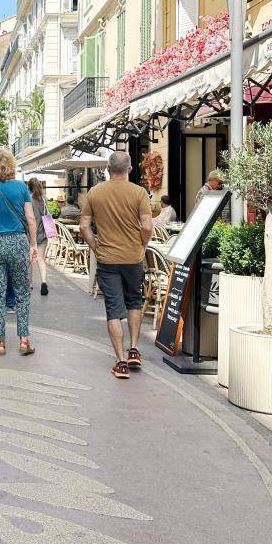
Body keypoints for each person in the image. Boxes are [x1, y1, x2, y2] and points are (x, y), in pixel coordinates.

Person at [80, 152, 154, 379]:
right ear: (130, 168)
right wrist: (141, 247)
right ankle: (134, 349)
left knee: (113, 308)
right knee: (134, 302)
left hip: (108, 260)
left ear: (107, 168)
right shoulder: (139, 193)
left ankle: (121, 362)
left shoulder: (95, 193)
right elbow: (148, 227)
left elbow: (84, 227)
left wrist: (95, 247)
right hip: (133, 258)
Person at [0, 147, 39, 356]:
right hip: (18, 241)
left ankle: (0, 342)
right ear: (9, 165)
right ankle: (24, 340)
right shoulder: (21, 188)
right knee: (21, 293)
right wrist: (32, 245)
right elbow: (30, 219)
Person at [27, 177, 51, 296]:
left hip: (31, 234)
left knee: (31, 258)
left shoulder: (28, 201)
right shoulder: (44, 200)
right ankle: (43, 282)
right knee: (41, 259)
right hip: (43, 233)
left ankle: (30, 283)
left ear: (29, 188)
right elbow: (47, 215)